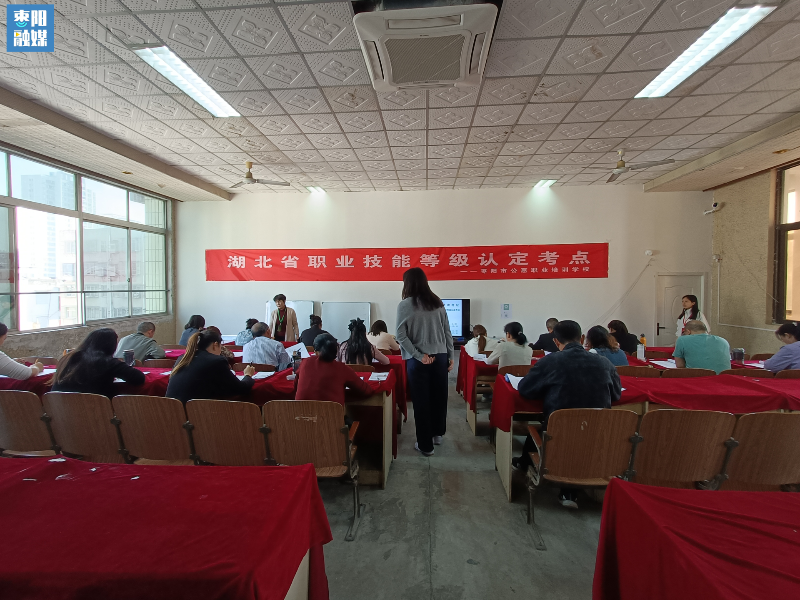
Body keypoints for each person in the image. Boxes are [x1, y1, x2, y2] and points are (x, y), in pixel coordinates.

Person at [513, 320, 621, 509]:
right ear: (581, 338)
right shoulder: (605, 363)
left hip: (560, 435)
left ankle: (531, 467)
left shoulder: (550, 362)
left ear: (556, 341)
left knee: (546, 426)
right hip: (598, 434)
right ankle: (567, 488)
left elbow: (525, 389)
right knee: (564, 428)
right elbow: (616, 395)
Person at [396, 267, 454, 457]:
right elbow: (447, 332)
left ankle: (425, 445)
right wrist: (451, 356)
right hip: (440, 357)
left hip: (418, 360)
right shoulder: (437, 303)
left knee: (421, 401)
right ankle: (437, 434)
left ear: (407, 283)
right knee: (439, 397)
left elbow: (400, 336)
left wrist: (418, 355)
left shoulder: (405, 305)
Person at [166, 329, 255, 403]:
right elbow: (241, 389)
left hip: (172, 412)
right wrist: (248, 375)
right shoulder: (217, 361)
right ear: (215, 345)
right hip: (197, 414)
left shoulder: (182, 358)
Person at [51, 328, 145, 398]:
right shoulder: (107, 362)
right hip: (95, 410)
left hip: (60, 411)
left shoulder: (68, 358)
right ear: (110, 346)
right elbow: (138, 378)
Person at [294, 333, 374, 407]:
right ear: (336, 350)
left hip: (301, 415)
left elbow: (296, 385)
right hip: (332, 416)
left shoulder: (305, 363)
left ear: (316, 352)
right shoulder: (342, 369)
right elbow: (366, 391)